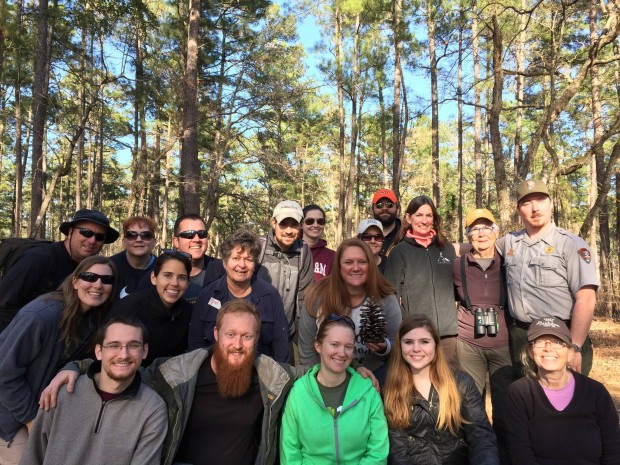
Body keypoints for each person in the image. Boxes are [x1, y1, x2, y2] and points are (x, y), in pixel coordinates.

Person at [40, 299, 295, 465]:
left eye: (247, 336)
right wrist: (78, 366)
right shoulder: (176, 373)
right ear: (216, 334)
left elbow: (320, 373)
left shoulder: (273, 379)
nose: (238, 345)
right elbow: (127, 365)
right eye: (230, 334)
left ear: (257, 338)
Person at [0, 256, 117, 464]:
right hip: (9, 416)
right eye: (90, 277)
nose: (98, 285)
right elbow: (4, 374)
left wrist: (74, 367)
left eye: (106, 280)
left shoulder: (92, 319)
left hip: (48, 413)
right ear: (74, 281)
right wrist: (31, 419)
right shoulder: (40, 316)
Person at [19, 316, 168, 465]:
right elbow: (32, 457)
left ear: (144, 351)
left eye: (133, 345)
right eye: (114, 345)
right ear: (98, 351)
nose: (124, 355)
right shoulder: (61, 394)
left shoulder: (152, 409)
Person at [497, 179, 598, 375]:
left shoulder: (571, 244)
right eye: (526, 203)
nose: (535, 208)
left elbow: (586, 298)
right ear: (519, 210)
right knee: (528, 399)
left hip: (561, 337)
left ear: (550, 203)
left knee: (566, 402)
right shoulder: (510, 242)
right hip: (522, 338)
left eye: (540, 200)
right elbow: (478, 247)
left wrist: (574, 346)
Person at [384, 315, 499, 465]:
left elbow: (480, 436)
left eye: (424, 342)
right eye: (408, 342)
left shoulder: (460, 383)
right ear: (400, 346)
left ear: (435, 345)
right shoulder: (392, 389)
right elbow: (398, 451)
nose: (416, 349)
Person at [505, 317, 620, 465]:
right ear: (530, 351)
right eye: (540, 342)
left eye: (558, 342)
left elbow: (613, 447)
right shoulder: (519, 393)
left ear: (570, 353)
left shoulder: (596, 392)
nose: (548, 348)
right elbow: (519, 451)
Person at [280, 315, 389, 464]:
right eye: (335, 344)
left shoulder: (368, 392)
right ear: (318, 346)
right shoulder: (298, 393)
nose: (342, 353)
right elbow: (290, 452)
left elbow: (378, 451)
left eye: (348, 346)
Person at [453, 208, 512, 465]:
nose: (481, 234)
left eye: (486, 228)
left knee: (506, 405)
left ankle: (506, 454)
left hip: (504, 344)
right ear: (468, 234)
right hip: (468, 343)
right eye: (475, 229)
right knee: (471, 403)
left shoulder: (509, 261)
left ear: (495, 231)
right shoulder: (458, 266)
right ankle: (477, 455)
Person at [298, 238, 401, 383]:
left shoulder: (385, 298)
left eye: (362, 262)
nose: (356, 267)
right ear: (338, 266)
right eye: (348, 262)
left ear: (370, 266)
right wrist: (320, 382)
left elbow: (398, 346)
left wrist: (384, 348)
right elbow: (307, 351)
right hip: (327, 377)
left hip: (376, 377)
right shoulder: (317, 295)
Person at [0, 209, 119, 333]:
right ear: (70, 232)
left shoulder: (88, 269)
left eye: (99, 237)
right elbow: (4, 305)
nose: (92, 240)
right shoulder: (38, 258)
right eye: (86, 233)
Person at [189, 229, 289, 362]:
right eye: (236, 258)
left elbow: (280, 345)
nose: (242, 265)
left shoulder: (270, 296)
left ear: (254, 264)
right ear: (225, 263)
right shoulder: (207, 295)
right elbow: (195, 343)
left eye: (248, 259)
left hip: (259, 373)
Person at [384, 195, 458, 360]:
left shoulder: (446, 249)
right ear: (408, 218)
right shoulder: (399, 252)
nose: (424, 220)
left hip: (448, 334)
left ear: (434, 219)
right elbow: (391, 295)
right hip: (417, 335)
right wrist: (407, 322)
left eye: (428, 215)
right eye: (419, 215)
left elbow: (457, 287)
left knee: (448, 382)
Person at [106, 251, 192, 365]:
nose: (174, 283)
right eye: (167, 275)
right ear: (154, 278)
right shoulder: (128, 309)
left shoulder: (188, 311)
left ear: (187, 283)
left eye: (182, 277)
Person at [256, 200, 313, 343]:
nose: (288, 230)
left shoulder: (304, 252)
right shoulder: (258, 246)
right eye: (283, 224)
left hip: (286, 334)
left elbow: (304, 298)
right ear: (273, 223)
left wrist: (302, 338)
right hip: (254, 333)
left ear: (300, 225)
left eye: (294, 224)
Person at [169, 213, 225, 304]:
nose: (196, 239)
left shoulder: (224, 271)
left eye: (202, 234)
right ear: (176, 241)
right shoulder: (160, 273)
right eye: (189, 234)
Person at [110, 216, 157, 299]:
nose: (139, 240)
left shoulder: (161, 269)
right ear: (124, 242)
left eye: (146, 235)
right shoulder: (110, 266)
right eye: (131, 235)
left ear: (153, 242)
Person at [301, 204, 336, 281]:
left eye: (320, 221)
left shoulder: (333, 257)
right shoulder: (291, 250)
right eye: (309, 221)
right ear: (301, 224)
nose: (315, 225)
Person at [371, 188, 401, 255]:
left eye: (389, 204)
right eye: (379, 205)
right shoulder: (363, 238)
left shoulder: (406, 235)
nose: (384, 208)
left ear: (397, 207)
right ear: (373, 208)